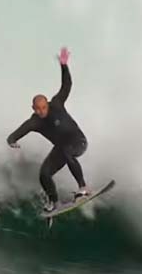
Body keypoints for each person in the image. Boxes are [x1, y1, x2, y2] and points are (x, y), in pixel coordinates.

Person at [6, 47, 89, 211]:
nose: (41, 111)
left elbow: (67, 85)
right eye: (38, 109)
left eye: (43, 107)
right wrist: (12, 141)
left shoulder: (56, 104)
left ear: (47, 105)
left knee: (66, 150)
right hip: (61, 149)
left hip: (78, 141)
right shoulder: (34, 122)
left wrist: (64, 65)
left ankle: (83, 189)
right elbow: (16, 134)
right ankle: (54, 203)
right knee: (44, 174)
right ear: (33, 108)